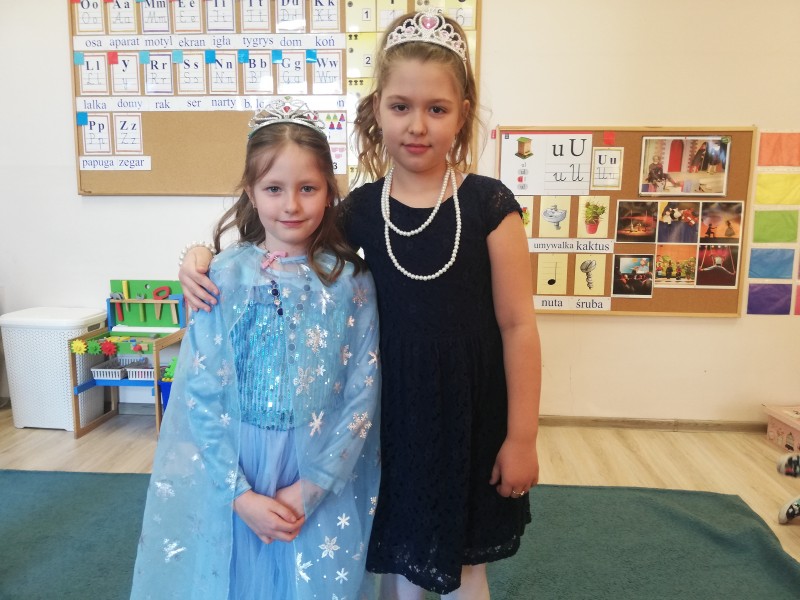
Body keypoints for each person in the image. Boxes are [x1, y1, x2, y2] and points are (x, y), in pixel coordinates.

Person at [178, 9, 542, 599]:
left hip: (469, 412)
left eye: (437, 109)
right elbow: (282, 247)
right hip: (388, 415)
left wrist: (521, 437)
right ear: (376, 110)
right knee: (397, 554)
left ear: (463, 112)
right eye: (400, 106)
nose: (417, 125)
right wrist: (197, 256)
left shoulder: (489, 206)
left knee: (465, 562)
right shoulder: (361, 210)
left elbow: (518, 325)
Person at [131, 98, 381, 600]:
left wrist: (313, 485)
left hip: (315, 466)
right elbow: (201, 392)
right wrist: (239, 494)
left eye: (307, 188)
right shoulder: (223, 276)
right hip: (237, 464)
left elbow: (363, 391)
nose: (291, 205)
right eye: (273, 188)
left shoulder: (351, 281)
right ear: (250, 191)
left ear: (329, 191)